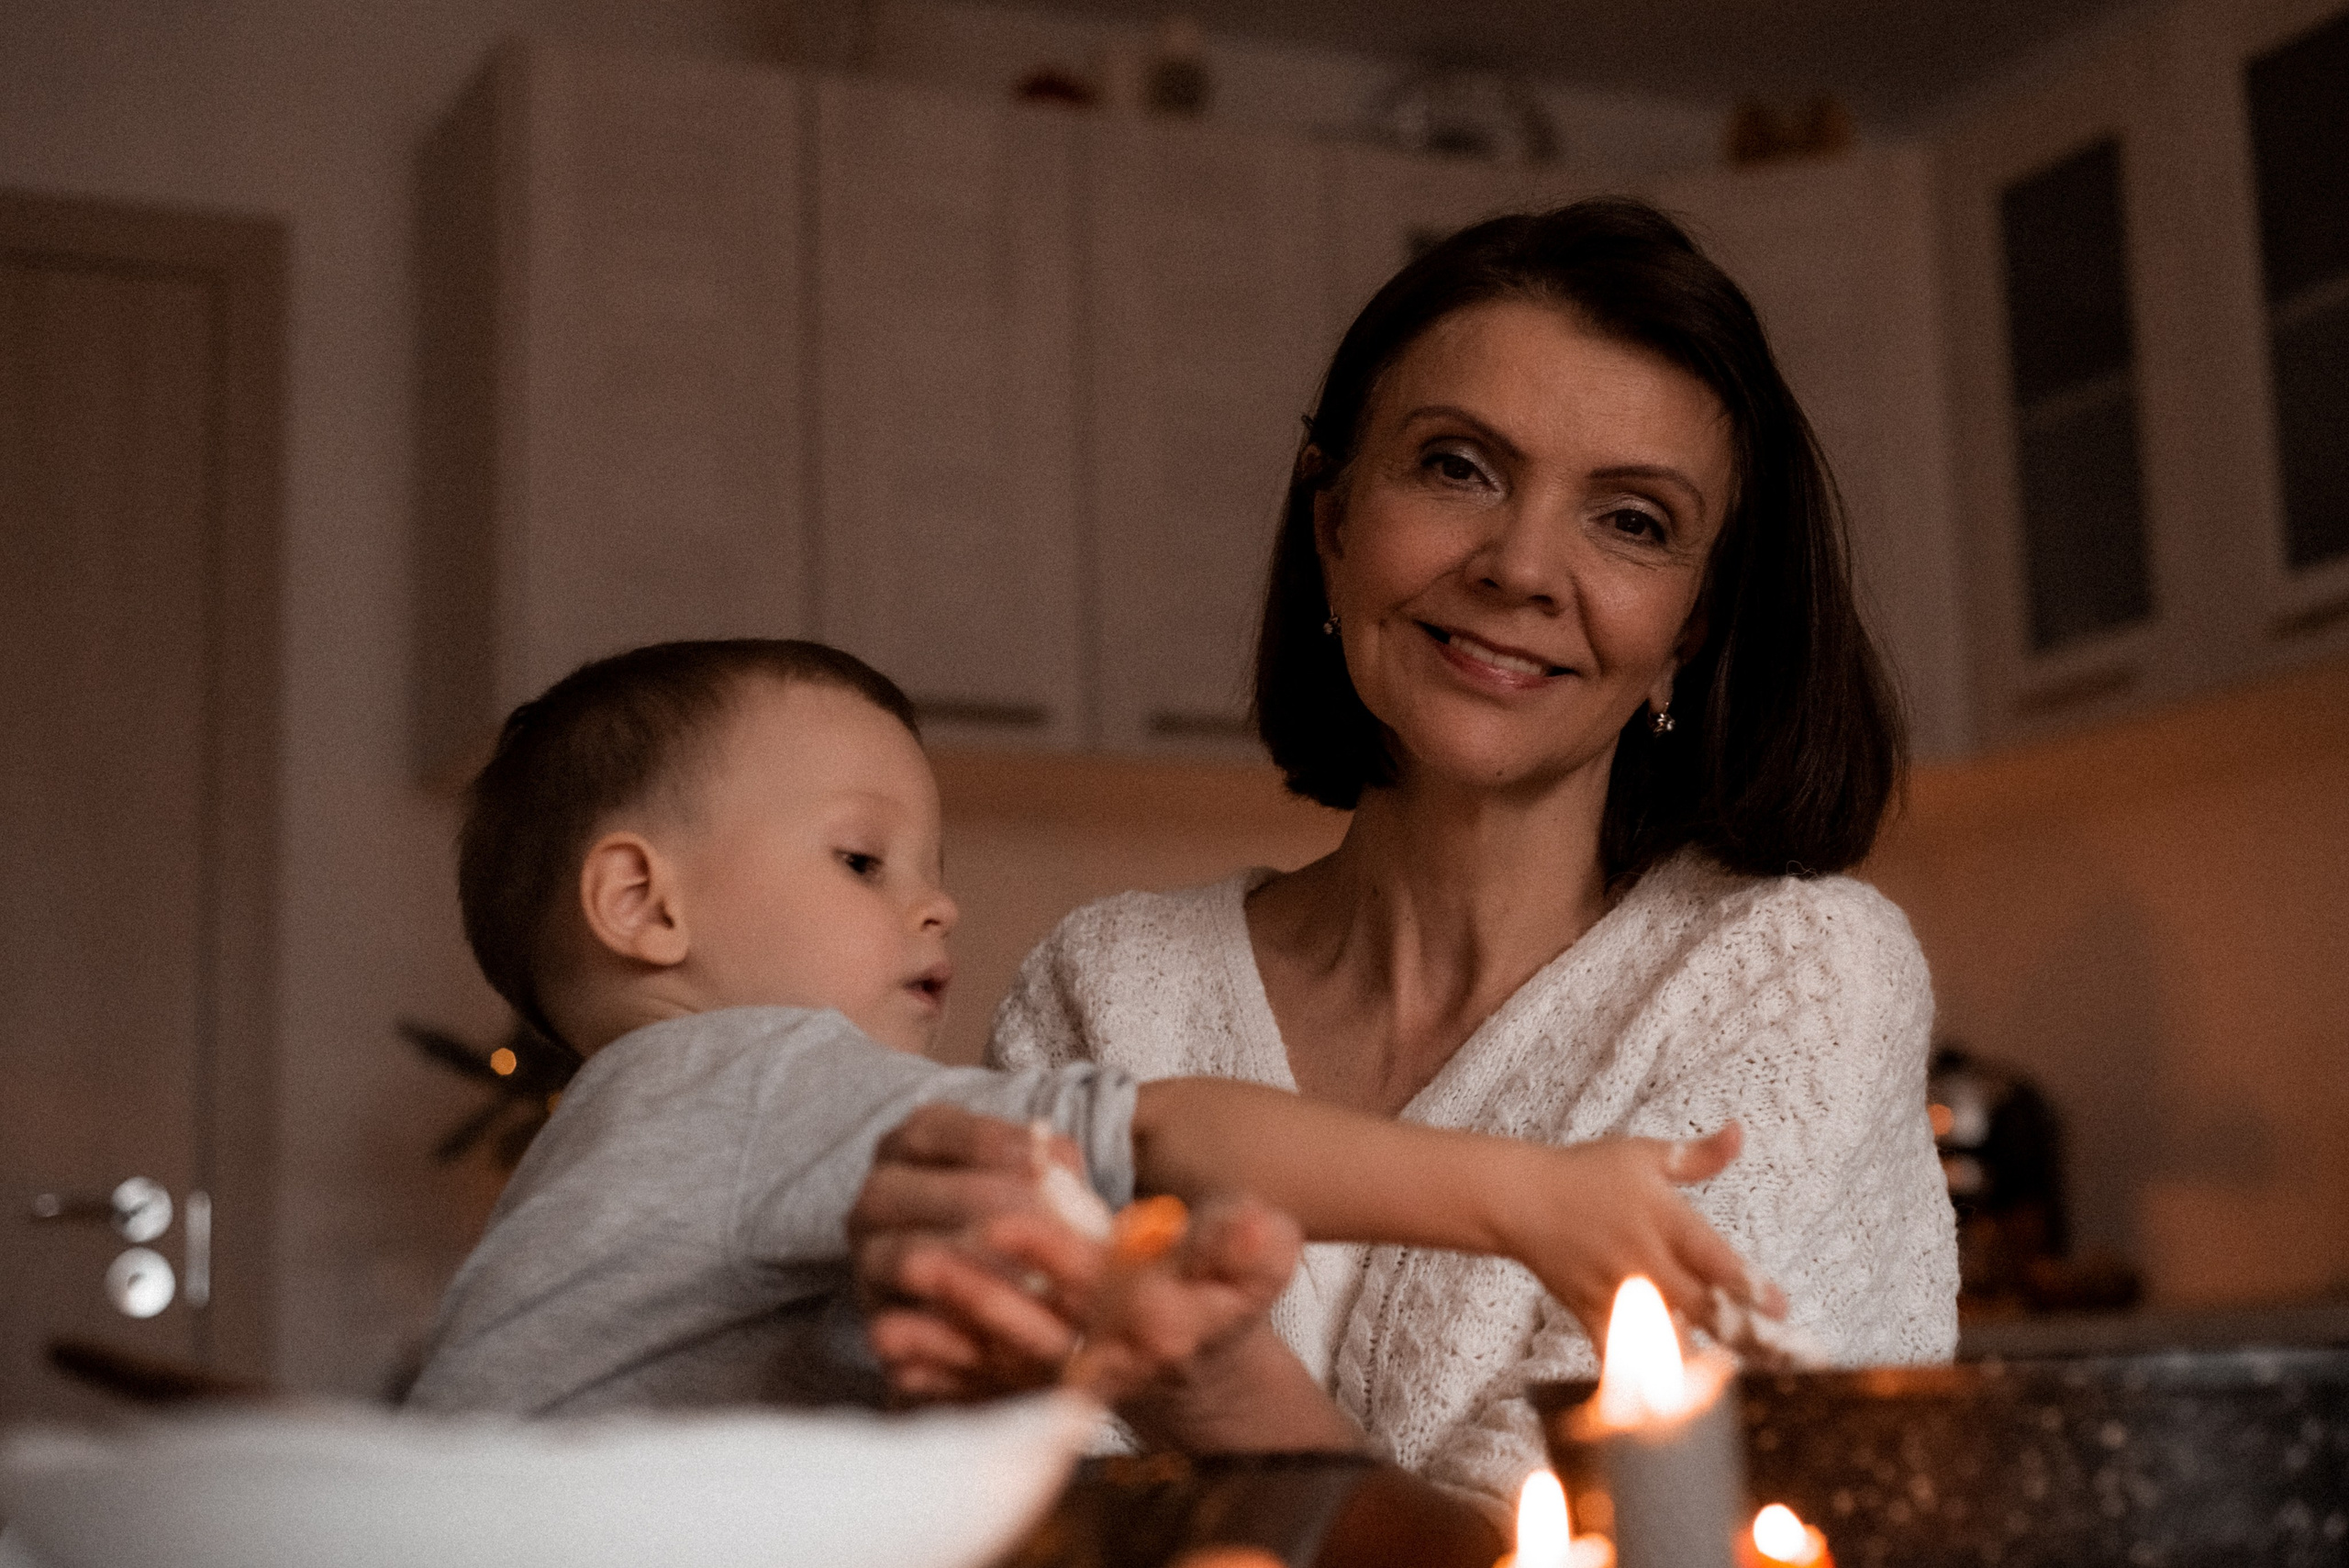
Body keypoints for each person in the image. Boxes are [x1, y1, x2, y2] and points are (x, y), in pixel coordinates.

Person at [856, 199, 1959, 1545]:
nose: (1521, 567)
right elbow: (1013, 1513)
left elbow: (1618, 1541)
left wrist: (1214, 1388)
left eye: (1631, 520)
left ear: (1692, 625)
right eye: (1457, 467)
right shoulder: (1110, 982)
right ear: (1332, 519)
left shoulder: (1798, 977)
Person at [404, 638, 1779, 1418]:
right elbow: (1164, 1128)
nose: (937, 907)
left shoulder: (609, 1139)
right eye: (864, 862)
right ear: (642, 903)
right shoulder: (751, 1072)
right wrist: (1533, 1194)